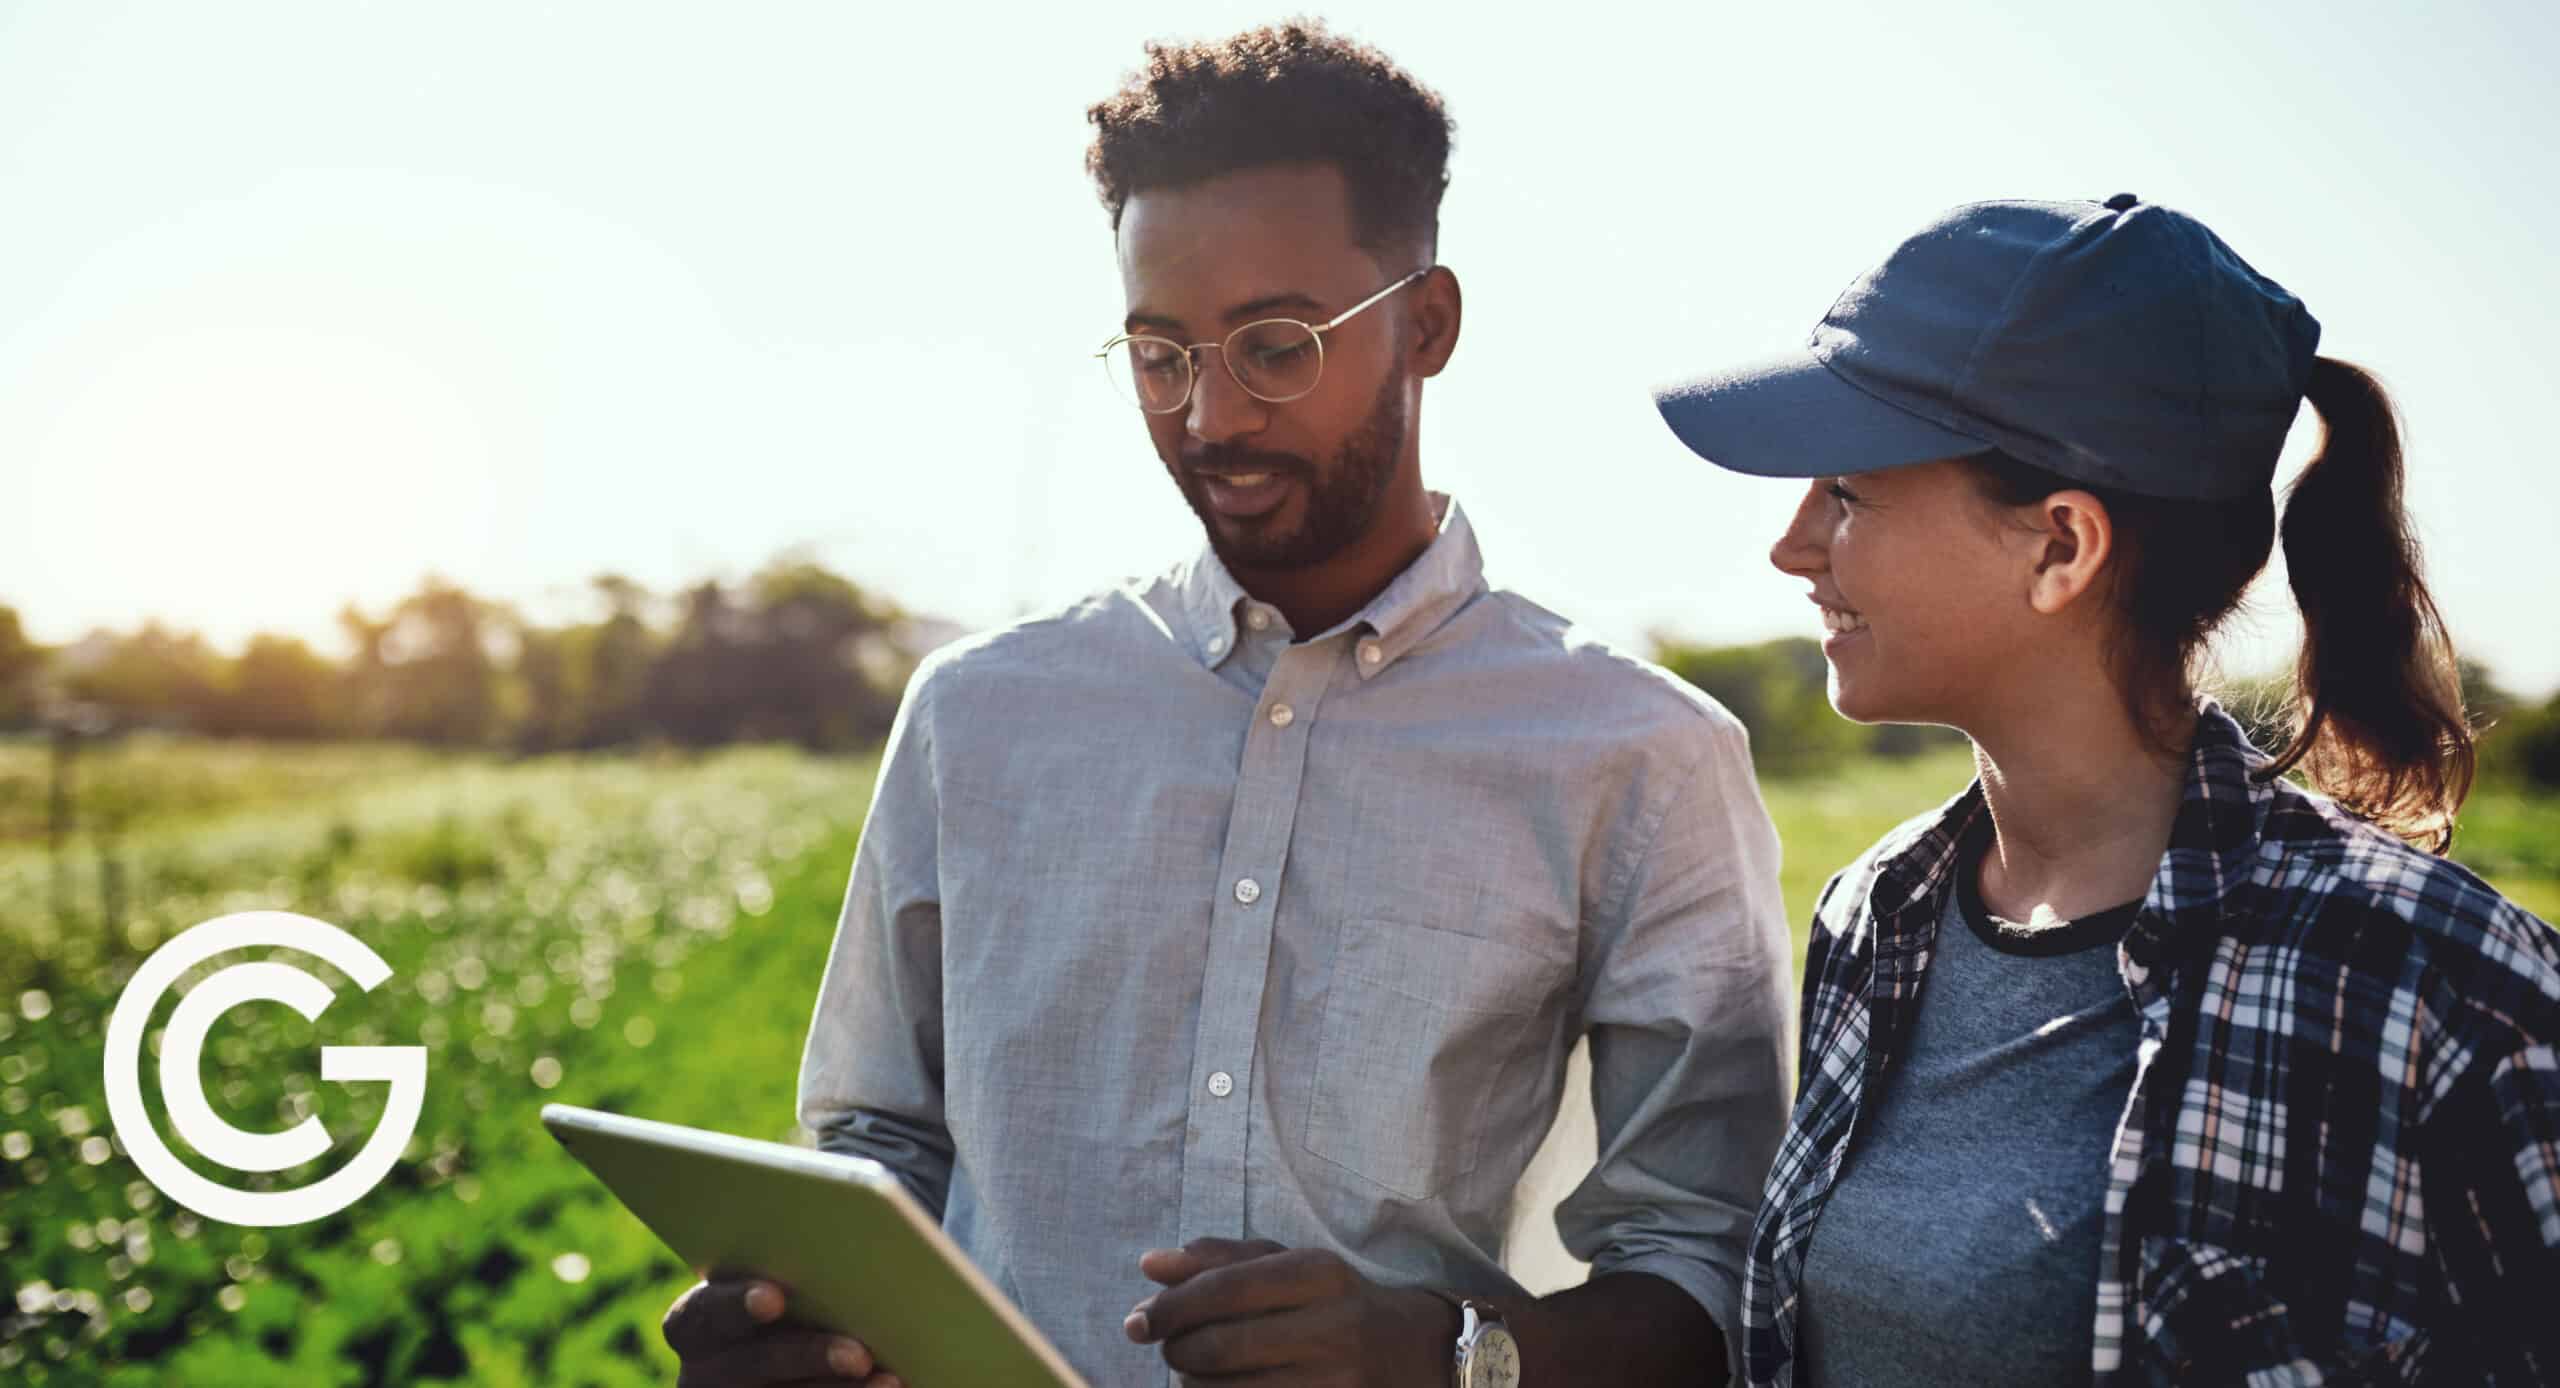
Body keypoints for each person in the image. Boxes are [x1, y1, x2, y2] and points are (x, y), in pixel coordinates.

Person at [660, 21, 1794, 1387]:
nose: (1208, 420)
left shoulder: (1644, 756)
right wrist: (797, 1325)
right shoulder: (978, 716)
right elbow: (877, 1148)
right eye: (1160, 355)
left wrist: (1452, 1359)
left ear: (1425, 325)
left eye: (1275, 346)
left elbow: (1707, 1262)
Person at [1651, 194, 2560, 1385]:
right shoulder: (1869, 919)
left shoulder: (2442, 983)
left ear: (2061, 548)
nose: (1791, 544)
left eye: (1849, 491)